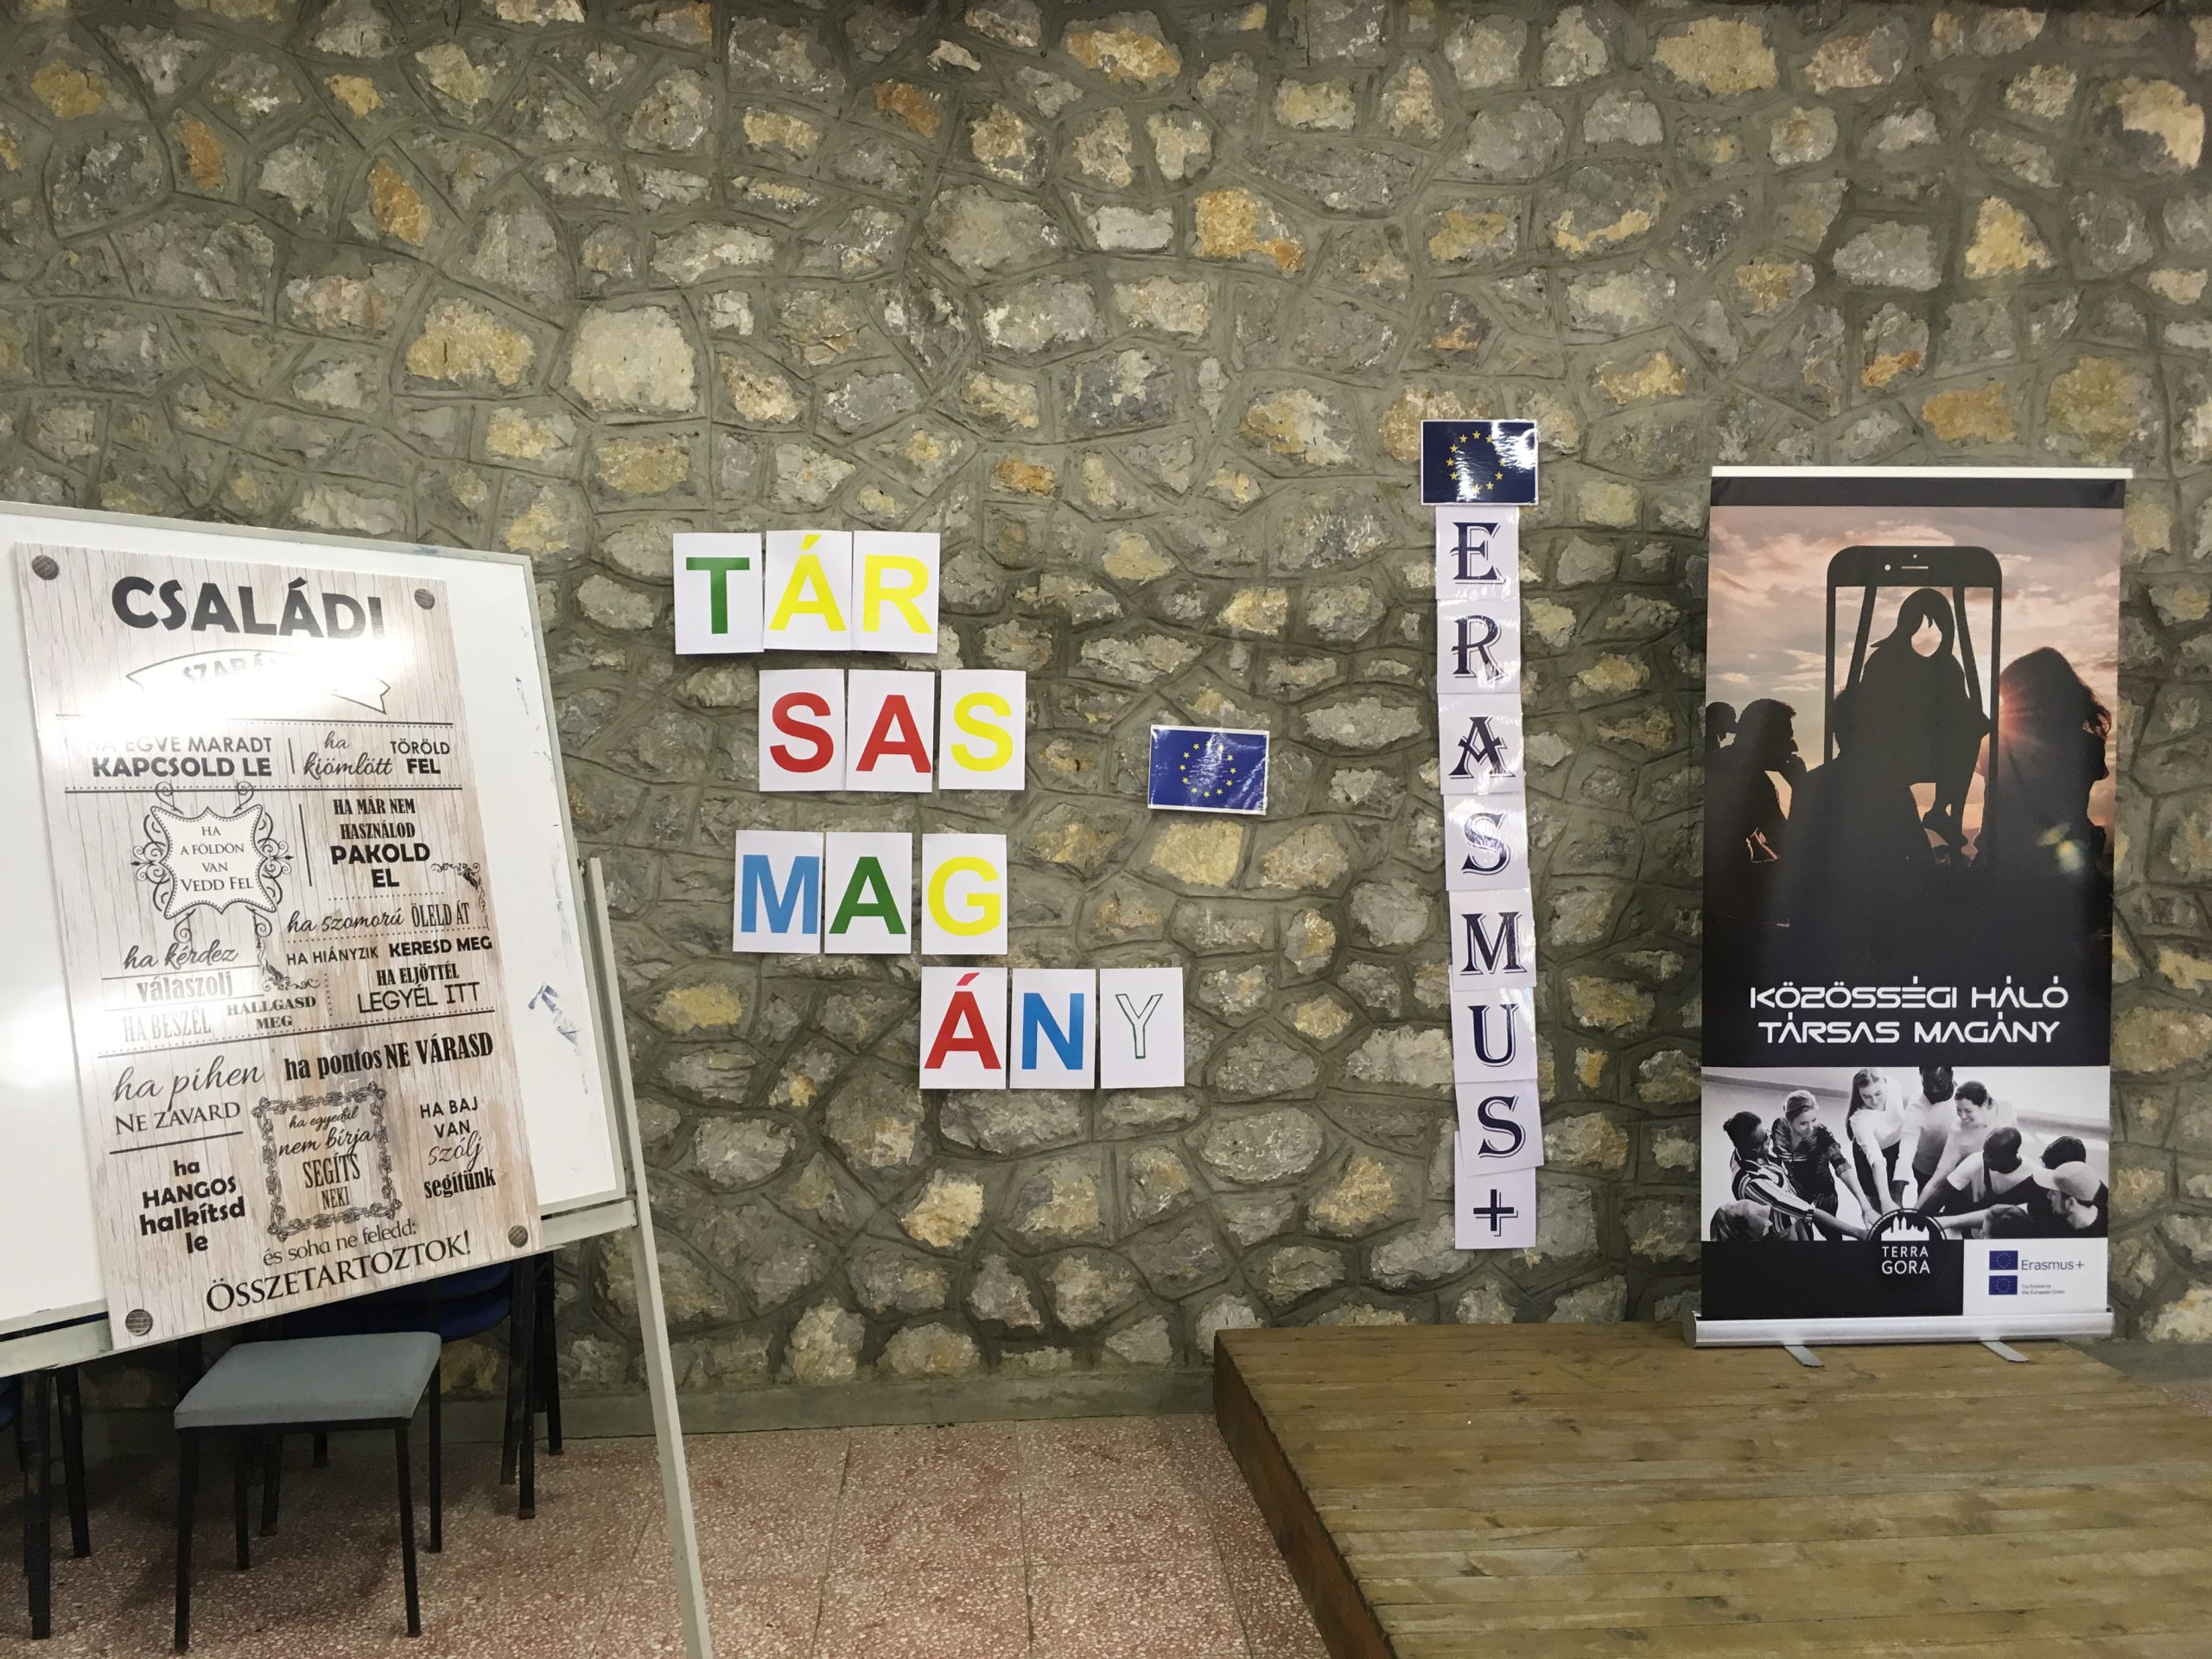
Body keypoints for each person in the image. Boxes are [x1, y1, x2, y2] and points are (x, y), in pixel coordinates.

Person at [1835, 588, 1989, 850]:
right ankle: (1935, 811)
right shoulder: (1886, 662)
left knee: (1968, 734)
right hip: (1892, 754)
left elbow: (1960, 708)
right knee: (1967, 736)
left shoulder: (1945, 665)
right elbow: (1864, 710)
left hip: (1926, 754)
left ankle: (1939, 810)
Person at [1722, 1109, 1866, 1240]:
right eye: (1764, 1140)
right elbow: (1808, 1211)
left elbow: (1840, 1162)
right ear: (1752, 1150)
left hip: (1797, 1209)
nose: (1770, 1139)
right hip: (1780, 1229)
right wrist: (1858, 1233)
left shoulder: (1747, 1149)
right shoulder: (1752, 1183)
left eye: (1766, 1133)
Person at [1767, 1090, 1880, 1236]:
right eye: (1803, 1123)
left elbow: (1842, 1166)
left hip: (1823, 1193)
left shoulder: (1821, 1134)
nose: (1810, 1128)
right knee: (1804, 1236)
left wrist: (1866, 1207)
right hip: (1795, 1191)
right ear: (1789, 1120)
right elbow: (1777, 1158)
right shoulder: (1779, 1128)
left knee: (1831, 1233)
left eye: (1813, 1120)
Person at [1917, 1080, 2017, 1197]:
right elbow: (1937, 1180)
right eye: (1958, 1110)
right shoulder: (1958, 1132)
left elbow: (2015, 1141)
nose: (1963, 1116)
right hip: (1970, 1193)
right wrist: (1917, 1206)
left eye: (1968, 1111)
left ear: (1984, 1104)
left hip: (2004, 1184)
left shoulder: (2006, 1109)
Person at [1845, 1069, 1922, 1215]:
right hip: (1869, 1158)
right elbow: (1876, 1160)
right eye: (1866, 1096)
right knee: (1877, 1200)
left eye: (1878, 1094)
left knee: (1896, 1195)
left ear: (1884, 1084)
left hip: (1896, 1146)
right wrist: (1885, 1199)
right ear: (1859, 1094)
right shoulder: (1859, 1120)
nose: (1874, 1101)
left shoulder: (1893, 1084)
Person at [1921, 1126, 2038, 1217]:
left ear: (2011, 1155)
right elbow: (1942, 1194)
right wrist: (1921, 1219)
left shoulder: (2034, 1175)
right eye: (1985, 1152)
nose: (1985, 1158)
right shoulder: (1976, 1160)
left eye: (1992, 1156)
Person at [1903, 1066, 1957, 1194]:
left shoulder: (1965, 1095)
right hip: (1924, 1168)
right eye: (1927, 1084)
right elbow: (1907, 1144)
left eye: (1939, 1084)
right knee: (1924, 1196)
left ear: (1951, 1075)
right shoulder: (1915, 1106)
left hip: (1954, 1168)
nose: (1933, 1090)